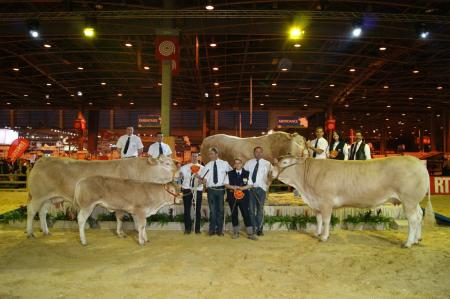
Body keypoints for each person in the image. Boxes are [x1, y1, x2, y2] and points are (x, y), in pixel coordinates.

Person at [200, 147, 232, 236]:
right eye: (209, 154)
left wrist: (228, 183)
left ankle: (220, 230)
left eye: (212, 154)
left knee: (220, 210)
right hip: (211, 191)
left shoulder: (224, 164)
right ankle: (212, 229)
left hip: (221, 190)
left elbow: (231, 174)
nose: (210, 156)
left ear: (217, 154)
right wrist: (201, 180)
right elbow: (203, 178)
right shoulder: (207, 165)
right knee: (213, 211)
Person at [224, 158, 257, 240]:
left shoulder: (247, 173)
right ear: (234, 165)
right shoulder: (230, 173)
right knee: (234, 214)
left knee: (246, 214)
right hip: (232, 196)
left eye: (239, 163)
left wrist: (243, 188)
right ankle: (236, 232)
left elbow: (251, 184)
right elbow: (225, 184)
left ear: (242, 164)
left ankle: (250, 233)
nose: (237, 165)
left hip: (244, 197)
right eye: (236, 163)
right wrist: (233, 187)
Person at [244, 146, 272, 236]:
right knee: (251, 210)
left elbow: (271, 175)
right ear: (254, 153)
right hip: (251, 189)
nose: (258, 153)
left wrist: (269, 183)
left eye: (260, 152)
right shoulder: (248, 163)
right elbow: (244, 174)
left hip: (262, 189)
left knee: (260, 209)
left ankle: (259, 229)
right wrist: (246, 184)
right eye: (256, 152)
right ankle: (253, 228)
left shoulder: (267, 163)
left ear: (262, 153)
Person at [179, 153, 204, 234]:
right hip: (187, 189)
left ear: (198, 157)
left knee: (197, 210)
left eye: (196, 156)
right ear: (191, 157)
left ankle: (197, 229)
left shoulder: (202, 168)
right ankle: (187, 229)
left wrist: (200, 177)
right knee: (187, 210)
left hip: (198, 190)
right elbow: (179, 179)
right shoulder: (184, 167)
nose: (194, 158)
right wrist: (180, 176)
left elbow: (204, 181)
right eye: (193, 156)